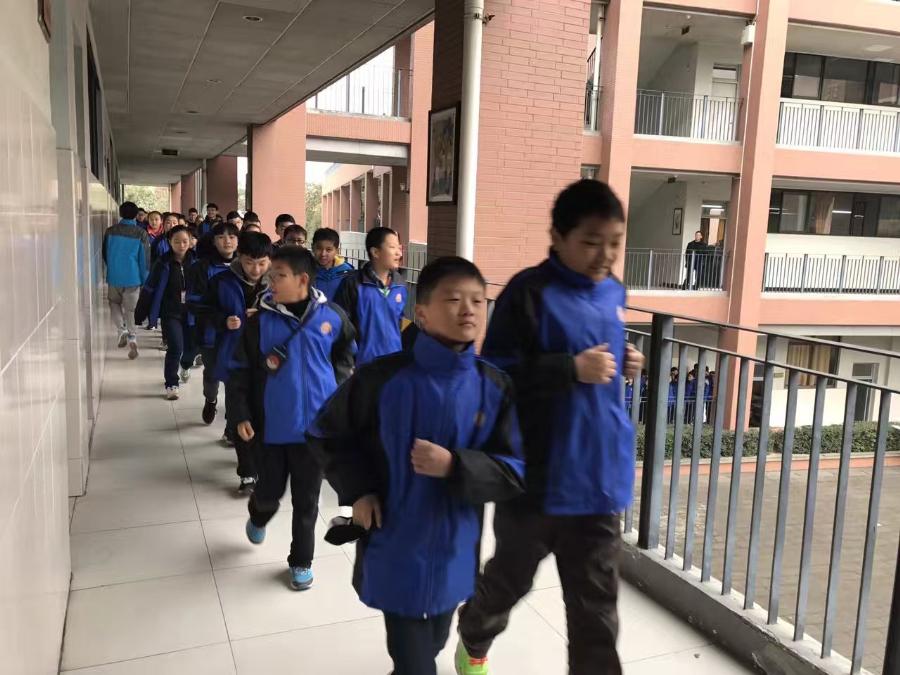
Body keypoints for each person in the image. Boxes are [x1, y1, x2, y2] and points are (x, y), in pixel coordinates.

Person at [454, 179, 645, 675]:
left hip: (598, 477)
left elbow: (598, 358)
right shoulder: (528, 293)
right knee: (508, 581)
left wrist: (625, 358)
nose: (606, 255)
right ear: (558, 237)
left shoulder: (614, 291)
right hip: (536, 478)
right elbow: (493, 374)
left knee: (596, 613)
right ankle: (474, 632)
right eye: (591, 241)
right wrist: (569, 369)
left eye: (615, 242)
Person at [307, 256, 525, 675]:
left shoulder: (494, 387)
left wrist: (457, 466)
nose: (468, 310)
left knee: (436, 641)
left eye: (477, 300)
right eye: (454, 299)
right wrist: (359, 490)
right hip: (394, 543)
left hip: (455, 548)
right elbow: (325, 432)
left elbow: (517, 470)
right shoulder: (381, 379)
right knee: (415, 662)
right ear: (421, 314)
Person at [232, 246, 356, 591]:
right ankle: (259, 515)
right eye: (270, 275)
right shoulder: (259, 323)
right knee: (269, 493)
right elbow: (240, 371)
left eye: (279, 276)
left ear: (302, 280)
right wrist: (241, 413)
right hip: (272, 429)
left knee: (307, 501)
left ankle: (301, 561)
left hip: (315, 433)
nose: (270, 281)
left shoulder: (332, 317)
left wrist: (337, 389)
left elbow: (346, 352)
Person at [207, 231, 273, 490]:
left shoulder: (279, 283)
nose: (255, 270)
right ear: (239, 257)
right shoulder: (222, 281)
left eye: (262, 263)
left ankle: (260, 461)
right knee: (240, 410)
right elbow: (202, 311)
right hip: (235, 356)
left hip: (268, 359)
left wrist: (265, 316)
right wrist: (223, 320)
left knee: (262, 411)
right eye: (249, 262)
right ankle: (247, 470)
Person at [135, 226, 197, 399]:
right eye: (176, 241)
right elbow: (149, 289)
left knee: (192, 348)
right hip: (171, 312)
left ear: (191, 241)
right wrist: (140, 313)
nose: (181, 245)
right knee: (176, 347)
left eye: (185, 241)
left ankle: (186, 365)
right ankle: (171, 383)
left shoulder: (197, 262)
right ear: (169, 242)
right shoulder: (162, 263)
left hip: (192, 313)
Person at [186, 220, 239, 425]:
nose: (227, 241)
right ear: (213, 241)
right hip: (211, 333)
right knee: (212, 373)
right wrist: (221, 319)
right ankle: (211, 399)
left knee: (237, 376)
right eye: (221, 237)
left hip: (239, 332)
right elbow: (194, 303)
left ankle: (232, 421)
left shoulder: (246, 265)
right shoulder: (201, 268)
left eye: (232, 236)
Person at [333, 226, 406, 365]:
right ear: (375, 252)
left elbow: (399, 323)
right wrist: (348, 362)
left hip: (393, 364)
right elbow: (340, 326)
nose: (399, 253)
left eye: (399, 247)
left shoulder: (400, 284)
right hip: (362, 365)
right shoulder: (353, 284)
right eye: (392, 247)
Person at [102, 201, 150, 360]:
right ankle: (132, 336)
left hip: (114, 275)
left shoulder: (110, 231)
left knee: (114, 303)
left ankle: (121, 329)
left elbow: (105, 253)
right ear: (136, 215)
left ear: (120, 213)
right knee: (131, 309)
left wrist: (113, 267)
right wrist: (144, 279)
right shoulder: (141, 233)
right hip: (133, 277)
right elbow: (144, 260)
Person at [312, 228, 354, 301]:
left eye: (328, 250)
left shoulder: (348, 273)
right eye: (319, 248)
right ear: (312, 247)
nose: (323, 254)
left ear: (337, 251)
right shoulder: (306, 271)